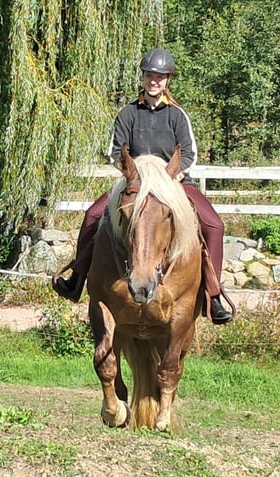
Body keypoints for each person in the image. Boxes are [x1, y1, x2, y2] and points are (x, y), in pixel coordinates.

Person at [52, 48, 233, 324]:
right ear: (144, 77)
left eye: (160, 77)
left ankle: (213, 295)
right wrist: (133, 173)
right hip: (135, 184)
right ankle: (77, 279)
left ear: (167, 80)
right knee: (92, 216)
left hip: (171, 184)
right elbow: (116, 151)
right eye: (150, 75)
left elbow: (189, 153)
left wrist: (172, 174)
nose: (154, 81)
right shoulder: (127, 113)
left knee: (213, 225)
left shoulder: (177, 115)